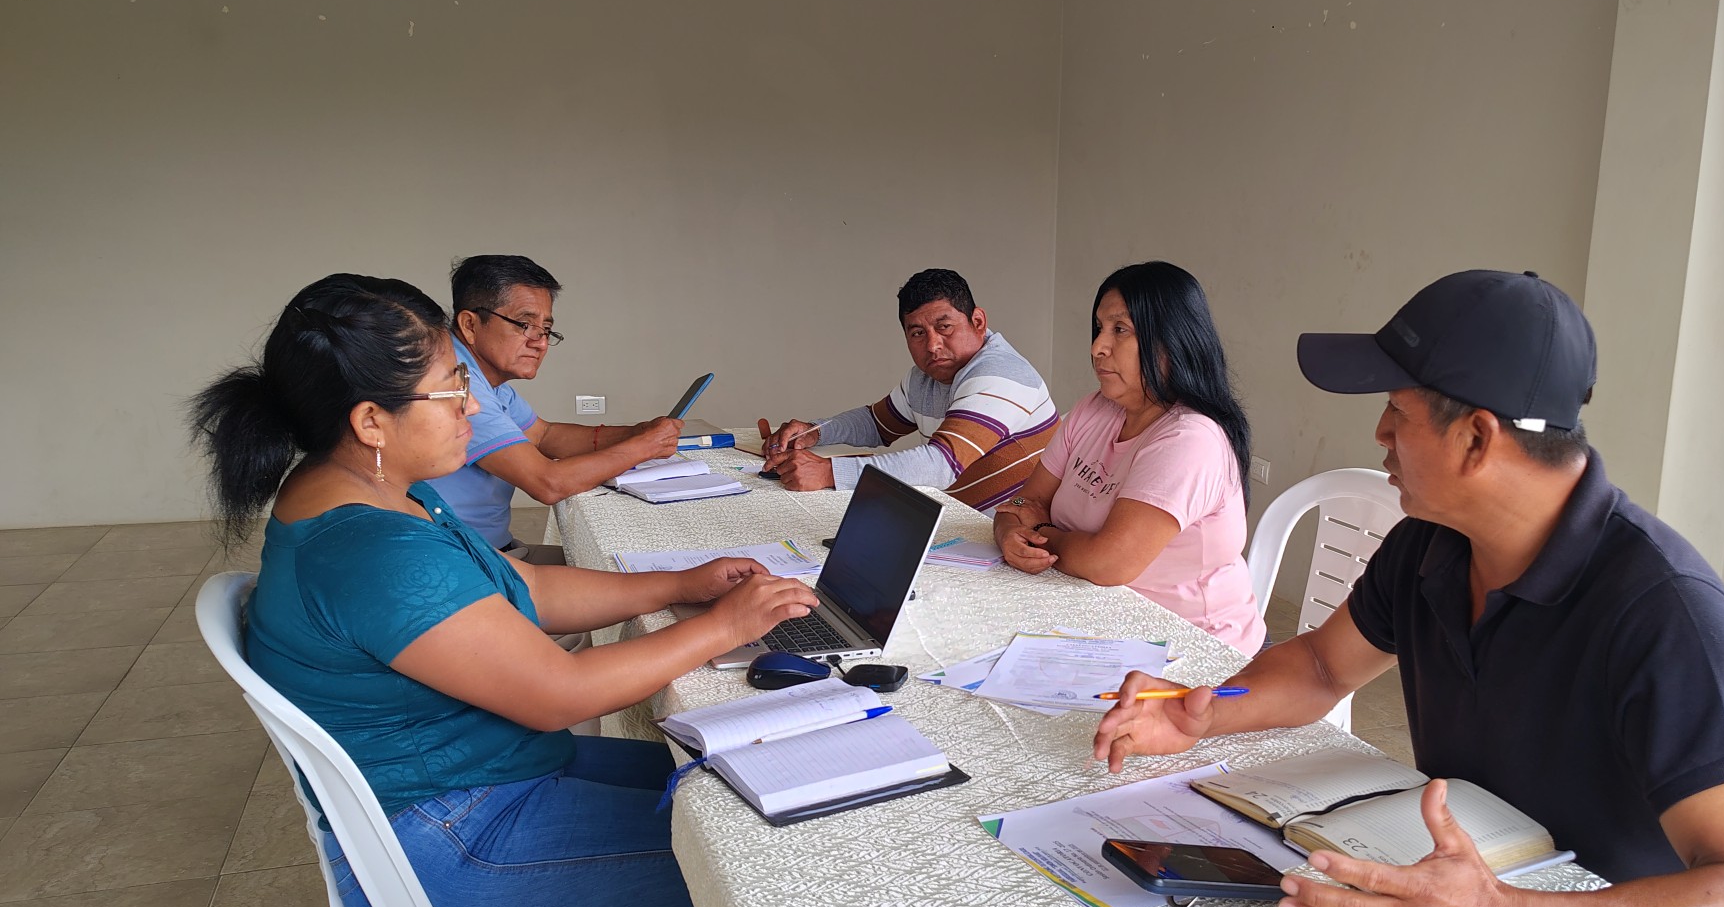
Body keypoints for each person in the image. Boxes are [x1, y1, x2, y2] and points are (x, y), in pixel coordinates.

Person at [188, 274, 817, 907]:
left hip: (467, 789)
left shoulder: (373, 491)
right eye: (452, 387)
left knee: (716, 782)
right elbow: (557, 693)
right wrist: (723, 629)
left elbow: (522, 596)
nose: (473, 407)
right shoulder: (370, 549)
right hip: (446, 850)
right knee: (743, 868)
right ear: (370, 418)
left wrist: (680, 585)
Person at [1093, 269, 1724, 907]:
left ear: (1475, 439)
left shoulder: (1663, 613)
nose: (1379, 433)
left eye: (1396, 412)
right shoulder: (1431, 543)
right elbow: (1323, 667)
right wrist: (1201, 715)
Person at [993, 262, 1264, 656]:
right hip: (1094, 615)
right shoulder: (1094, 409)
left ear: (1172, 341)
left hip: (1188, 647)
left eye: (1120, 330)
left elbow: (1108, 563)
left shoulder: (1190, 438)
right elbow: (1024, 500)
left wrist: (1041, 531)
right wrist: (1007, 533)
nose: (1097, 347)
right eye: (1099, 328)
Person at [437, 254, 687, 562]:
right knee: (639, 572)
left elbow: (544, 435)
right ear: (470, 324)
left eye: (545, 329)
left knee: (629, 567)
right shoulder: (456, 382)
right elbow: (548, 483)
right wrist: (644, 446)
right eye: (524, 325)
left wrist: (639, 432)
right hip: (461, 563)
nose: (540, 343)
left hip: (490, 551)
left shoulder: (484, 378)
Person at [757, 267, 1056, 511]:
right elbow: (876, 424)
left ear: (977, 321)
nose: (932, 345)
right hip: (963, 526)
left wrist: (828, 473)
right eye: (917, 333)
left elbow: (941, 465)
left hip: (1017, 535)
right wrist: (815, 431)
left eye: (944, 327)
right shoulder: (924, 377)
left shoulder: (1000, 373)